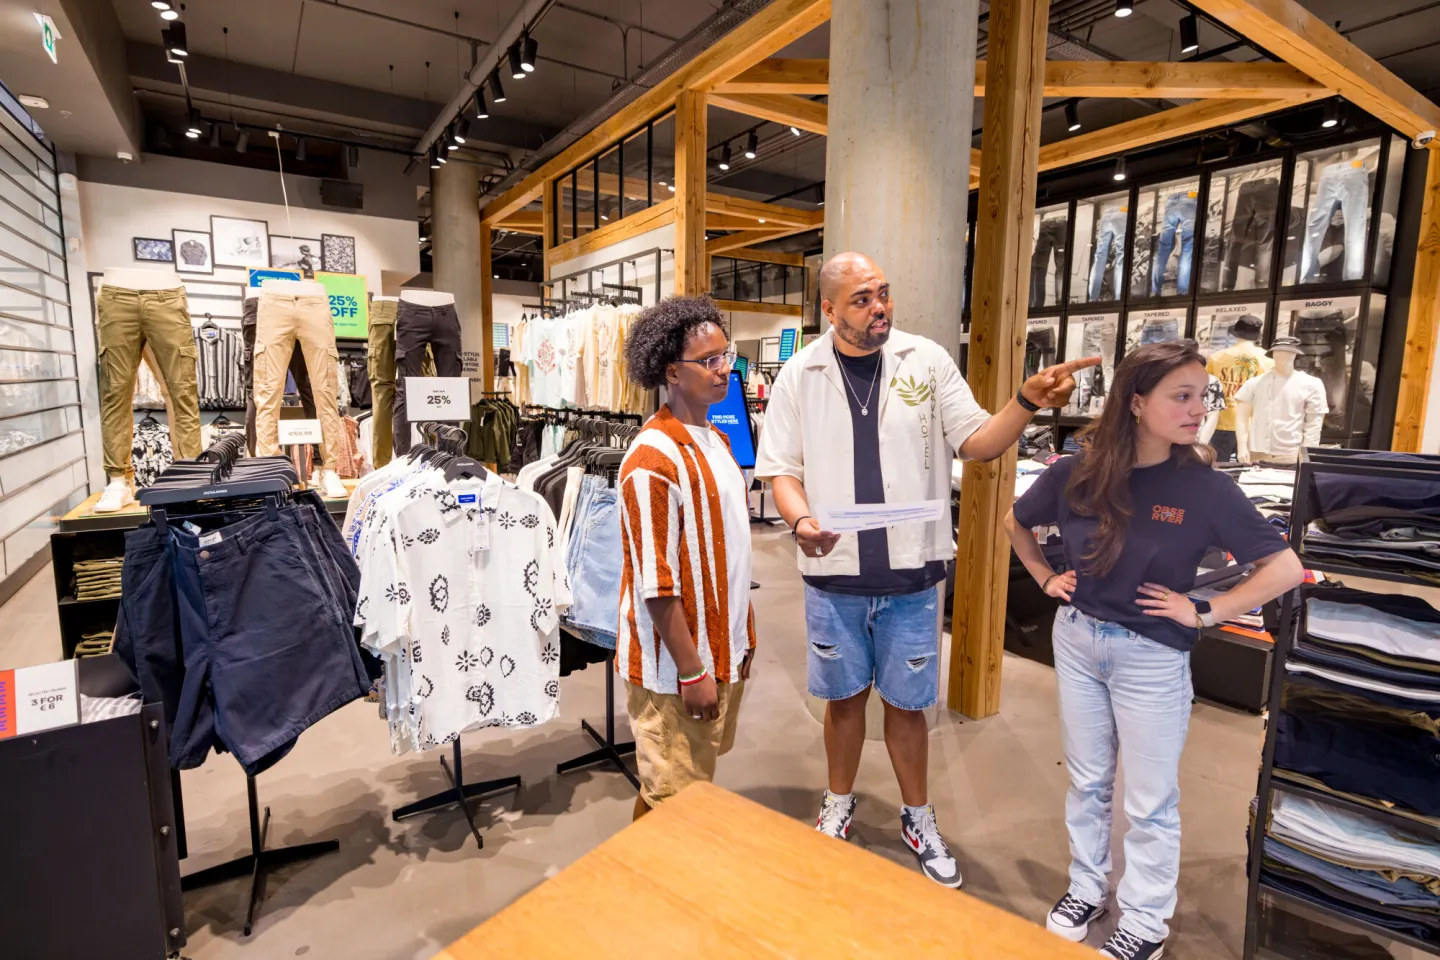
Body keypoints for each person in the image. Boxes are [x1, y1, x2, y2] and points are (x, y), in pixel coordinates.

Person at [755, 251, 1100, 887]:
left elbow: (978, 443)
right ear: (828, 309)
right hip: (835, 575)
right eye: (861, 299)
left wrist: (1025, 400)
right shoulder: (800, 375)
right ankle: (838, 804)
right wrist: (801, 523)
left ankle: (918, 815)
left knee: (909, 706)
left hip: (913, 576)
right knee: (843, 699)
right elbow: (782, 470)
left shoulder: (928, 360)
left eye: (883, 293)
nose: (879, 306)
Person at [1005, 340, 1304, 960]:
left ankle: (1145, 919)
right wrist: (1043, 576)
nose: (1199, 409)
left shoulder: (1204, 486)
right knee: (1087, 782)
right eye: (1183, 396)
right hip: (1080, 639)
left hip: (1152, 656)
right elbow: (1017, 521)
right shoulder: (1075, 469)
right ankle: (1086, 886)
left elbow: (1285, 566)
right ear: (1137, 403)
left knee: (1149, 799)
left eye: (1203, 397)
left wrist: (1206, 610)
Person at [616, 296, 756, 821]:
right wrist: (692, 670)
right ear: (672, 372)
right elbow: (656, 582)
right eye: (711, 360)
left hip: (719, 648)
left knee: (687, 783)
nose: (726, 370)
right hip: (674, 667)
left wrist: (741, 640)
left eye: (727, 356)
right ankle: (651, 894)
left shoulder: (716, 441)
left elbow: (733, 555)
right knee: (670, 797)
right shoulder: (651, 460)